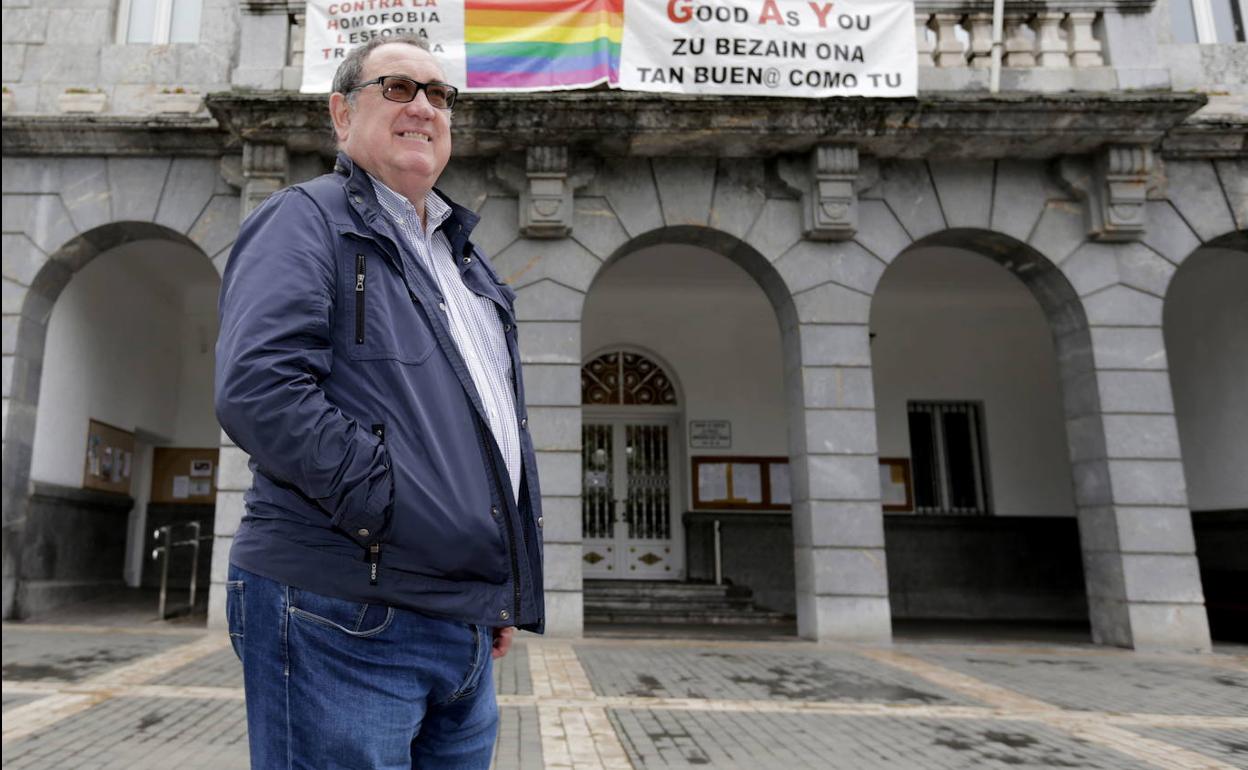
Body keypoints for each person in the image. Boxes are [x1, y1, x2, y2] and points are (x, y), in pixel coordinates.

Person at [215, 34, 544, 768]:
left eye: (440, 95)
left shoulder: (466, 262)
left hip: (460, 622)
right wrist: (395, 512)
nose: (424, 107)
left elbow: (491, 432)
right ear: (342, 113)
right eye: (398, 88)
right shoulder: (305, 217)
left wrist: (497, 578)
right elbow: (260, 386)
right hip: (341, 611)